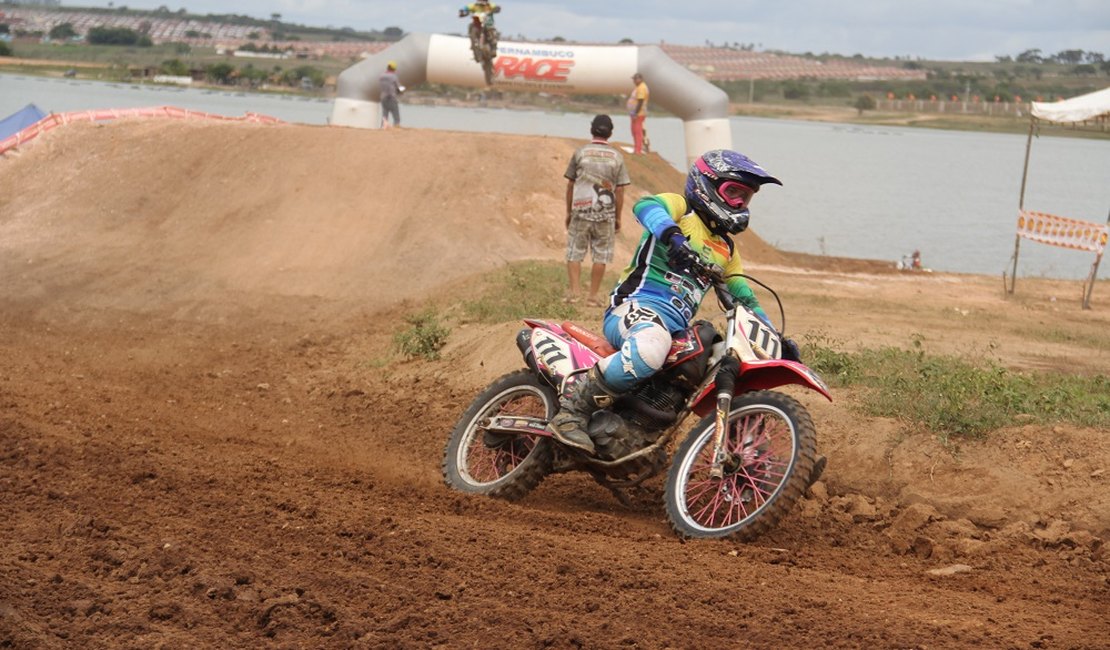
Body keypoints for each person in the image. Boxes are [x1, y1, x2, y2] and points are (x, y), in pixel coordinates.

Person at [548, 149, 802, 455]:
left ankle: (751, 456)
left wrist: (774, 338)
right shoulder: (682, 211)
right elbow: (646, 205)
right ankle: (572, 413)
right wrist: (673, 236)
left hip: (675, 330)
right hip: (635, 307)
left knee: (719, 359)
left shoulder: (726, 249)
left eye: (745, 197)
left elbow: (744, 298)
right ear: (706, 185)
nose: (738, 203)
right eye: (733, 192)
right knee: (651, 345)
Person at [563, 114, 631, 307]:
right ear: (610, 133)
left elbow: (571, 184)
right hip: (606, 214)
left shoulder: (580, 153)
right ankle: (592, 297)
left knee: (575, 251)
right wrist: (617, 217)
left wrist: (569, 212)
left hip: (580, 211)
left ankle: (575, 293)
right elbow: (620, 190)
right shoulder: (617, 157)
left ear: (591, 129)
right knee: (601, 255)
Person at [627, 73, 650, 155]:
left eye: (635, 79)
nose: (634, 81)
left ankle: (638, 150)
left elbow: (640, 101)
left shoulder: (642, 88)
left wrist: (635, 113)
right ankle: (636, 148)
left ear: (640, 79)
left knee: (637, 132)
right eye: (634, 79)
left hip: (639, 113)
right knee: (634, 131)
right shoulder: (639, 87)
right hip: (636, 113)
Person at [379, 61, 403, 128]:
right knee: (396, 117)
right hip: (391, 98)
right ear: (394, 69)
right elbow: (398, 87)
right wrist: (402, 90)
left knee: (385, 115)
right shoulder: (393, 76)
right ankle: (395, 128)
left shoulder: (381, 76)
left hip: (383, 97)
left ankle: (383, 128)